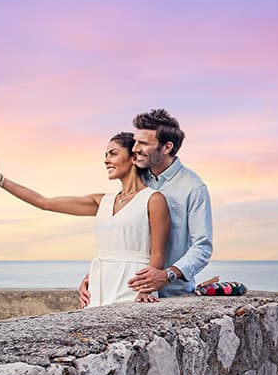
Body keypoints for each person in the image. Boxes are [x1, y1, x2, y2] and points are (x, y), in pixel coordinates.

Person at [0, 132, 170, 307]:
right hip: (99, 287)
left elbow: (158, 253)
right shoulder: (101, 201)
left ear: (134, 157)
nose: (106, 160)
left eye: (113, 153)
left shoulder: (153, 199)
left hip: (133, 286)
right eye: (105, 155)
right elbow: (43, 202)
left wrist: (145, 290)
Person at [78, 109, 213, 306]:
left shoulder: (193, 187)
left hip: (171, 296)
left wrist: (168, 275)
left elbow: (202, 247)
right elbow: (126, 237)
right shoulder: (138, 177)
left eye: (143, 143)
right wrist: (97, 276)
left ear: (166, 147)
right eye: (135, 142)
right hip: (128, 291)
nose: (135, 148)